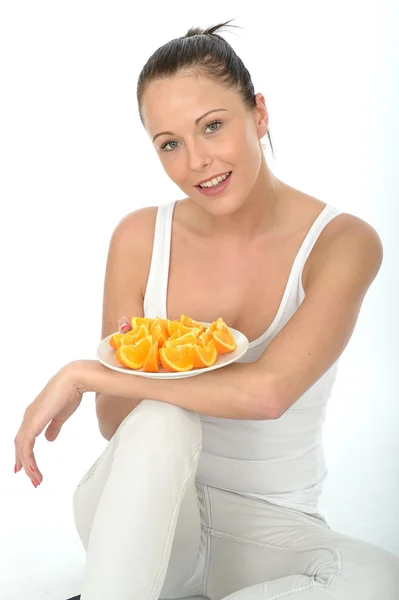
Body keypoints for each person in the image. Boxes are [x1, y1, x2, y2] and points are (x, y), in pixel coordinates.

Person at [14, 20, 399, 600]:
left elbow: (269, 393)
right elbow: (118, 422)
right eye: (169, 143)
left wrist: (85, 372)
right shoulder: (141, 236)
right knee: (164, 420)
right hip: (142, 515)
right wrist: (127, 371)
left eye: (212, 126)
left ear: (259, 115)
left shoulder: (342, 241)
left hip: (270, 528)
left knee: (381, 579)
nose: (197, 161)